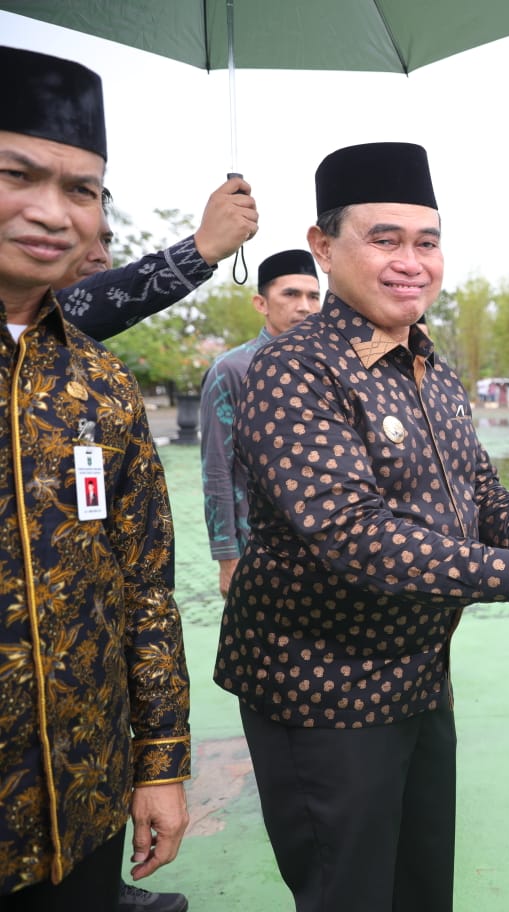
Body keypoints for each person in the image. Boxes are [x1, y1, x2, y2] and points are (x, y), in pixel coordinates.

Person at [214, 142, 509, 912]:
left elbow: (477, 493)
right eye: (385, 240)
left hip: (417, 678)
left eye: (427, 242)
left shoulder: (429, 367)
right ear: (323, 247)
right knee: (349, 894)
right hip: (323, 691)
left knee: (420, 888)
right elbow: (354, 534)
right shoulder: (294, 369)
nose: (411, 262)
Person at [0, 46, 191, 910]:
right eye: (18, 175)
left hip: (86, 801)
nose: (53, 212)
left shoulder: (102, 383)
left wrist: (161, 766)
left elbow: (146, 586)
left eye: (81, 190)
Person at [200, 249, 321, 597]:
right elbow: (217, 468)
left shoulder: (331, 368)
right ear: (261, 303)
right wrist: (227, 557)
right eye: (290, 294)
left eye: (313, 296)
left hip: (327, 550)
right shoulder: (232, 371)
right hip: (260, 550)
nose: (305, 306)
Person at [58, 178, 259, 341]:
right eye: (81, 238)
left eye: (106, 241)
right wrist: (202, 249)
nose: (100, 256)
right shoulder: (40, 329)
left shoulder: (99, 359)